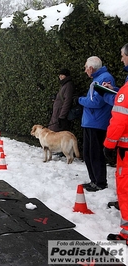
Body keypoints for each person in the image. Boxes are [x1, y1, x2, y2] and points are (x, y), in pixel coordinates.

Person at [103, 43, 128, 242]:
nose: (121, 59)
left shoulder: (126, 92)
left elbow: (119, 121)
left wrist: (109, 145)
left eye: (122, 56)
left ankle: (126, 235)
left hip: (126, 152)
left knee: (126, 191)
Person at [80, 56, 116, 192]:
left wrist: (79, 100)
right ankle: (94, 180)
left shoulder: (105, 78)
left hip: (97, 122)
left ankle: (100, 182)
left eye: (85, 67)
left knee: (95, 153)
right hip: (91, 122)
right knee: (88, 153)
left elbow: (97, 102)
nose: (85, 71)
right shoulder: (97, 79)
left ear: (90, 68)